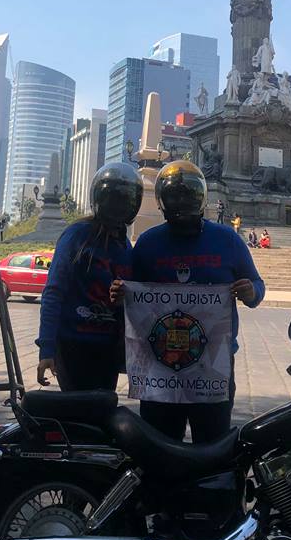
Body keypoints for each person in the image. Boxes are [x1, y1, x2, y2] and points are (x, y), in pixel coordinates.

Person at [112, 160, 265, 443]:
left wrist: (250, 291)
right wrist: (120, 293)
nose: (181, 202)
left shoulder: (228, 240)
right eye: (174, 196)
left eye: (187, 195)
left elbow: (257, 286)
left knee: (213, 446)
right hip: (160, 365)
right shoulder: (147, 244)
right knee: (160, 446)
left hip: (213, 365)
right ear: (162, 202)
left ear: (200, 198)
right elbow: (129, 292)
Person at [36, 162, 143, 391]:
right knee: (80, 415)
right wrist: (46, 348)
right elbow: (54, 292)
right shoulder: (78, 236)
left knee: (102, 411)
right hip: (74, 343)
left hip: (107, 346)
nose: (119, 205)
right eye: (113, 198)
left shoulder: (124, 246)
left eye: (125, 199)